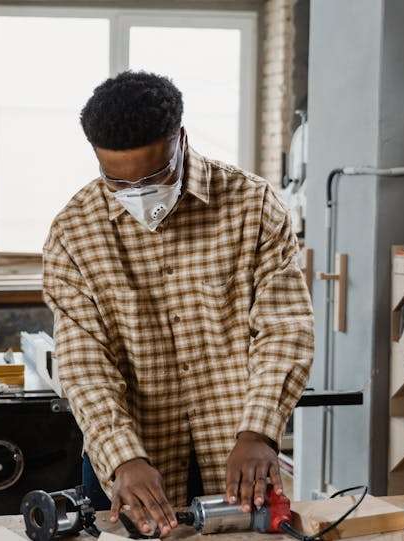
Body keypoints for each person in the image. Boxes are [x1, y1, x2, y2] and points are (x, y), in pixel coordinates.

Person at [42, 71, 313, 537]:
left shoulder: (252, 205)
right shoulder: (73, 232)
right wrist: (123, 456)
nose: (138, 194)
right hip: (131, 458)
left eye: (154, 176)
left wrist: (259, 430)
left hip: (237, 450)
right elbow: (85, 363)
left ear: (180, 139)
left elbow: (284, 327)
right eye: (117, 182)